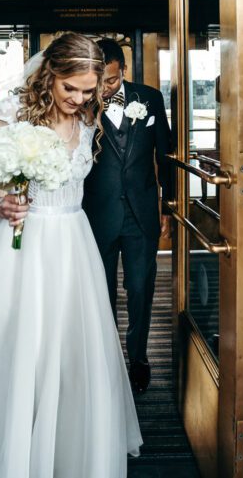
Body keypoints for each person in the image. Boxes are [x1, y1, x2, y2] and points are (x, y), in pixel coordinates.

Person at [0, 33, 142, 477]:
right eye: (71, 88)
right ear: (50, 75)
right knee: (18, 339)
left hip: (73, 242)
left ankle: (69, 442)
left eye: (90, 91)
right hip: (24, 245)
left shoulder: (89, 117)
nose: (80, 98)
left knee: (73, 345)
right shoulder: (11, 115)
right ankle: (10, 441)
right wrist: (3, 204)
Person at [83, 38, 174, 395]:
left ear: (123, 70)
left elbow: (164, 155)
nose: (104, 88)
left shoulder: (150, 99)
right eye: (99, 80)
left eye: (111, 80)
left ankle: (139, 358)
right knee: (101, 294)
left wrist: (167, 204)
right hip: (96, 214)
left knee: (140, 289)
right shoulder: (81, 101)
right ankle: (106, 361)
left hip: (141, 214)